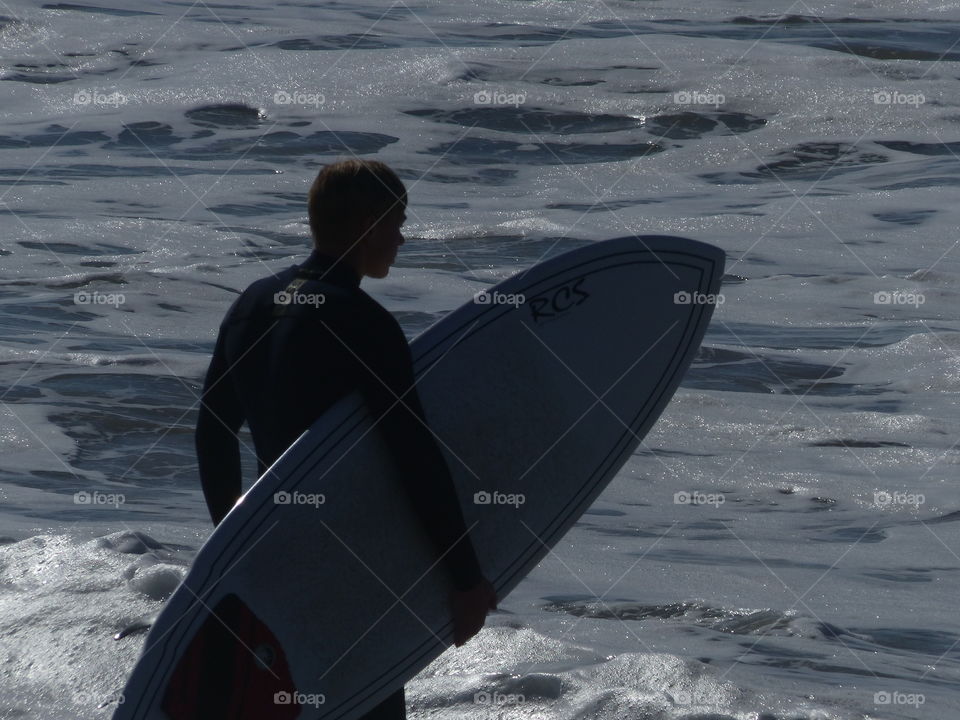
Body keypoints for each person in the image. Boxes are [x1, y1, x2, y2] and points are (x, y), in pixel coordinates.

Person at [195, 158, 497, 719]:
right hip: (353, 566)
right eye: (397, 222)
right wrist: (464, 580)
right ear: (368, 223)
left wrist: (232, 542)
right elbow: (414, 455)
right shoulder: (361, 321)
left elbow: (212, 433)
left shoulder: (252, 305)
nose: (402, 239)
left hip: (274, 557)